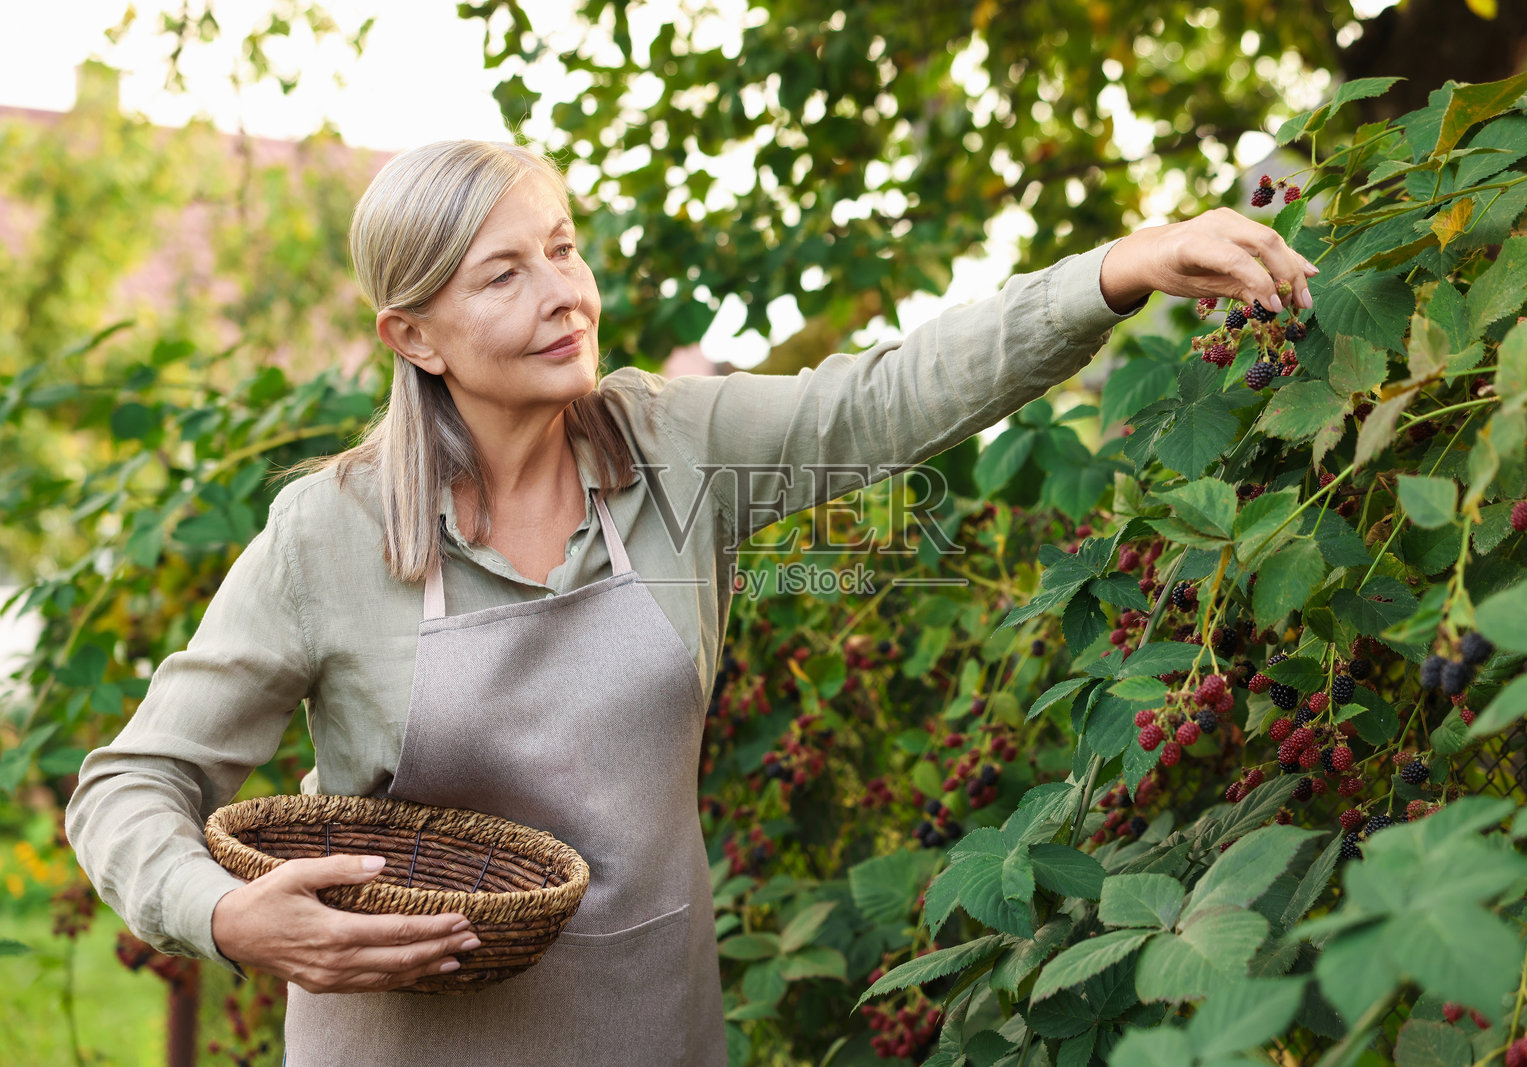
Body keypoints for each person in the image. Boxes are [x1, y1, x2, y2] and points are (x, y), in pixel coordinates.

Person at [64, 139, 1316, 1064]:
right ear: (415, 335)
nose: (563, 291)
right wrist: (228, 915)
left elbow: (882, 397)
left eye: (563, 247)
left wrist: (1112, 270)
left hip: (649, 1027)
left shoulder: (677, 450)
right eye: (503, 274)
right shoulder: (326, 536)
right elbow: (130, 783)